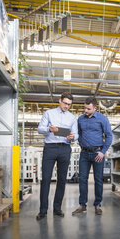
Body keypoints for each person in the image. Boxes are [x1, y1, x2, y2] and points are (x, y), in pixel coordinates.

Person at [36, 92, 78, 220]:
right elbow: (40, 129)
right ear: (59, 101)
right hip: (50, 148)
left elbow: (76, 134)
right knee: (46, 179)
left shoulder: (72, 118)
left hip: (65, 148)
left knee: (61, 180)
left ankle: (57, 208)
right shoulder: (49, 113)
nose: (66, 106)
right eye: (65, 103)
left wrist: (72, 137)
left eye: (69, 105)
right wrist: (49, 129)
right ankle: (43, 210)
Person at [72, 97, 112, 215]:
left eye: (88, 109)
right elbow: (77, 134)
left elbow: (109, 136)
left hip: (97, 153)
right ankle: (82, 205)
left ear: (95, 108)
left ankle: (97, 205)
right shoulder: (80, 119)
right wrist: (81, 144)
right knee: (82, 179)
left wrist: (103, 151)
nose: (85, 110)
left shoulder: (102, 119)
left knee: (98, 180)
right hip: (84, 153)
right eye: (84, 107)